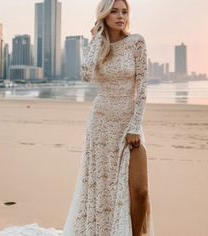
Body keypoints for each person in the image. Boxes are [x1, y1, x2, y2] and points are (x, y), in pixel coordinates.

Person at [62, 0, 155, 235]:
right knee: (104, 189)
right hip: (101, 124)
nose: (120, 16)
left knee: (140, 190)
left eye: (124, 11)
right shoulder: (98, 46)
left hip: (128, 125)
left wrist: (134, 126)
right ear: (104, 15)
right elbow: (85, 75)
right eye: (114, 11)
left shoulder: (137, 42)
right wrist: (95, 38)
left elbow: (142, 88)